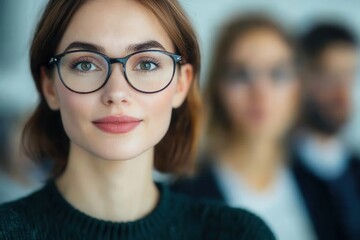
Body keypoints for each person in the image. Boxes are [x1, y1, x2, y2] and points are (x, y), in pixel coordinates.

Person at [0, 0, 275, 239]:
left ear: (181, 84)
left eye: (146, 64)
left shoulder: (240, 234)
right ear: (50, 87)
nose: (117, 93)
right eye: (85, 64)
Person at [172, 15, 317, 240]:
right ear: (217, 89)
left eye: (277, 73)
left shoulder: (320, 186)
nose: (260, 92)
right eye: (240, 74)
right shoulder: (186, 196)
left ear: (297, 88)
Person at [291, 22, 360, 240]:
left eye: (349, 75)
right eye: (329, 75)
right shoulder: (277, 173)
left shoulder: (355, 168)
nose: (342, 93)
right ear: (301, 77)